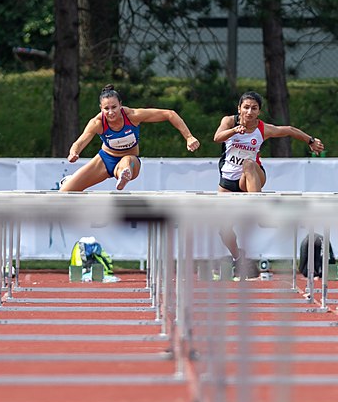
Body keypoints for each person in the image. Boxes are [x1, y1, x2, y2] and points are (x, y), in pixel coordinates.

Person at [214, 91, 324, 268]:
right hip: (228, 180)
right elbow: (216, 138)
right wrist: (234, 130)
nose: (249, 112)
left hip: (252, 176)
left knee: (249, 164)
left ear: (259, 112)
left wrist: (310, 140)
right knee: (223, 229)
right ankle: (237, 257)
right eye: (246, 107)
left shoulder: (262, 129)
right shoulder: (229, 121)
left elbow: (288, 130)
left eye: (254, 108)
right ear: (239, 108)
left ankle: (259, 208)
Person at [59, 84, 200, 192]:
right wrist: (74, 153)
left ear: (121, 105)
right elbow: (80, 142)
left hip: (131, 160)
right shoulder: (97, 122)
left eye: (114, 107)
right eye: (106, 109)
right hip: (105, 159)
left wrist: (189, 137)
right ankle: (73, 180)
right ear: (100, 108)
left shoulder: (132, 116)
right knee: (65, 192)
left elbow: (169, 114)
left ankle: (123, 175)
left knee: (126, 163)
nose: (110, 112)